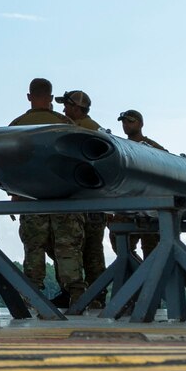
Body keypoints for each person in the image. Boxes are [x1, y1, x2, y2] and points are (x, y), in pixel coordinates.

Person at [11, 78, 83, 305]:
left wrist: (15, 194)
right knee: (67, 247)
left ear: (29, 96)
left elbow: (9, 166)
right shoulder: (66, 124)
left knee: (34, 247)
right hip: (63, 197)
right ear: (51, 98)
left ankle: (32, 296)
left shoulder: (17, 126)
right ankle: (77, 294)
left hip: (31, 198)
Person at [59, 90, 109, 293]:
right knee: (90, 252)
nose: (64, 109)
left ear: (77, 108)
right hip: (93, 200)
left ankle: (92, 294)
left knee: (88, 252)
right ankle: (95, 295)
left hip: (86, 200)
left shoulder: (84, 130)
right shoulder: (96, 130)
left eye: (67, 106)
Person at [117, 109, 169, 258]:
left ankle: (149, 277)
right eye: (124, 122)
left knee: (152, 249)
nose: (126, 125)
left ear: (140, 124)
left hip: (149, 206)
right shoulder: (121, 148)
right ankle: (138, 275)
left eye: (130, 121)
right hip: (126, 205)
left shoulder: (153, 148)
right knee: (121, 246)